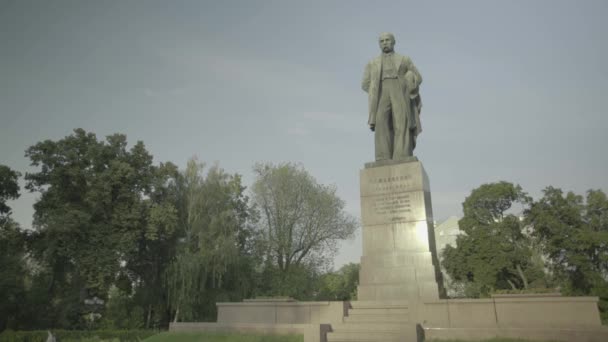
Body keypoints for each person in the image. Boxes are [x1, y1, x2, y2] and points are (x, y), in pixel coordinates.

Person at [362, 32, 423, 161]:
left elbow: (418, 77)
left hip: (400, 90)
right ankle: (382, 156)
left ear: (393, 42)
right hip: (382, 91)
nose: (385, 43)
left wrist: (410, 78)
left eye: (387, 40)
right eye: (382, 41)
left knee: (401, 122)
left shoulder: (404, 59)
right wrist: (375, 90)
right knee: (381, 123)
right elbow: (365, 83)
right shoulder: (372, 63)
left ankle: (402, 154)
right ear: (379, 44)